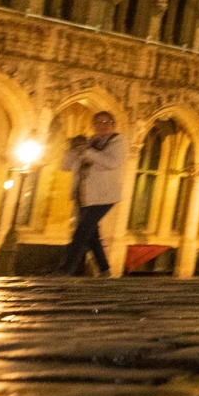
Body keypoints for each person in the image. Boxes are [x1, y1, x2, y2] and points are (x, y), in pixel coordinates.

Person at [60, 112, 126, 277]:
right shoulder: (89, 142)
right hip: (83, 195)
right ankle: (105, 269)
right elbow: (65, 166)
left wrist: (86, 151)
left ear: (113, 124)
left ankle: (66, 269)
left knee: (81, 231)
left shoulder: (118, 141)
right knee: (92, 234)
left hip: (104, 195)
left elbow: (111, 163)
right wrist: (72, 149)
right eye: (97, 122)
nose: (101, 125)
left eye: (106, 122)